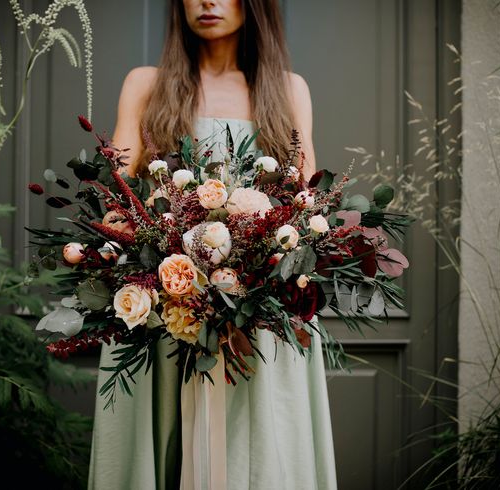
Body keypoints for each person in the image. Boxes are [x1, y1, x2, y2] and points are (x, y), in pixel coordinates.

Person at [88, 1, 337, 489]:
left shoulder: (288, 90)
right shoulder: (146, 85)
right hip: (166, 314)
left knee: (259, 452)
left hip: (257, 318)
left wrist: (258, 261)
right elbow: (115, 203)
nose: (207, 0)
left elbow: (308, 210)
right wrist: (156, 248)